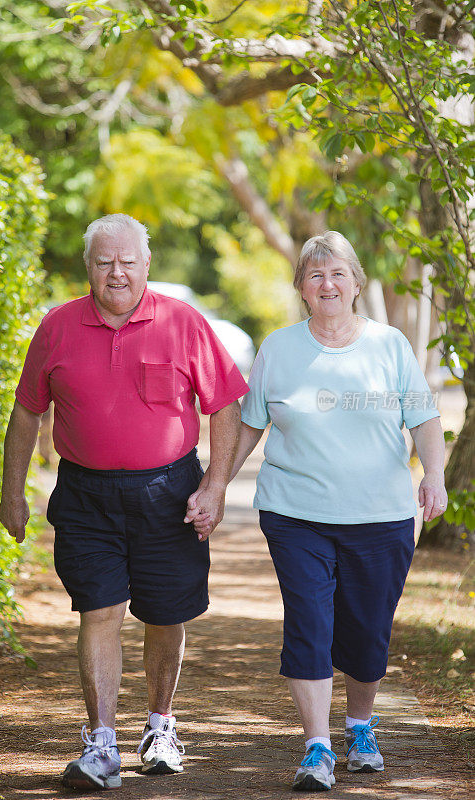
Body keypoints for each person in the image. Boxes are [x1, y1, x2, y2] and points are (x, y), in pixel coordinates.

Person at [187, 231, 447, 792]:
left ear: (355, 283)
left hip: (381, 515)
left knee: (367, 629)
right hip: (296, 513)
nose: (326, 284)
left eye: (337, 274)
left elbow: (424, 418)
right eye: (314, 275)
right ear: (302, 288)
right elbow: (251, 425)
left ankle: (359, 728)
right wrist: (215, 486)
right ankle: (317, 746)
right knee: (309, 621)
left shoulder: (390, 345)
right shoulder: (279, 348)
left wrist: (434, 476)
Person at [0, 213, 248, 791]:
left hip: (169, 492)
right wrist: (12, 493)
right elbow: (27, 410)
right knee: (100, 611)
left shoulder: (184, 322)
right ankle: (101, 742)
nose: (116, 273)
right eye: (104, 262)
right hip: (85, 495)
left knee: (164, 616)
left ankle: (160, 726)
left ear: (146, 265)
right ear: (88, 267)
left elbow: (225, 403)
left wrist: (213, 486)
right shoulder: (57, 326)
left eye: (127, 262)